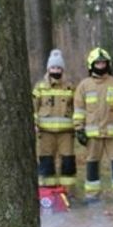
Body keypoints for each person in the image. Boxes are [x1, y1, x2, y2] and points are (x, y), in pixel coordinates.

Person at [73, 48, 113, 204]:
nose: (101, 65)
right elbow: (79, 109)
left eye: (103, 62)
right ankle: (92, 195)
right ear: (91, 64)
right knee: (92, 163)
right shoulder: (84, 86)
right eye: (98, 62)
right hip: (92, 134)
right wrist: (79, 129)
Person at [32, 49, 77, 194]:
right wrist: (34, 124)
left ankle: (67, 192)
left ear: (62, 69)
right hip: (45, 133)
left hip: (66, 133)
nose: (55, 70)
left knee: (68, 162)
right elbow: (33, 107)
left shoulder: (70, 87)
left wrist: (77, 125)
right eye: (53, 68)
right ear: (48, 69)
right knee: (46, 162)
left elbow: (77, 108)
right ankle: (47, 192)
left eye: (58, 68)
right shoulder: (40, 87)